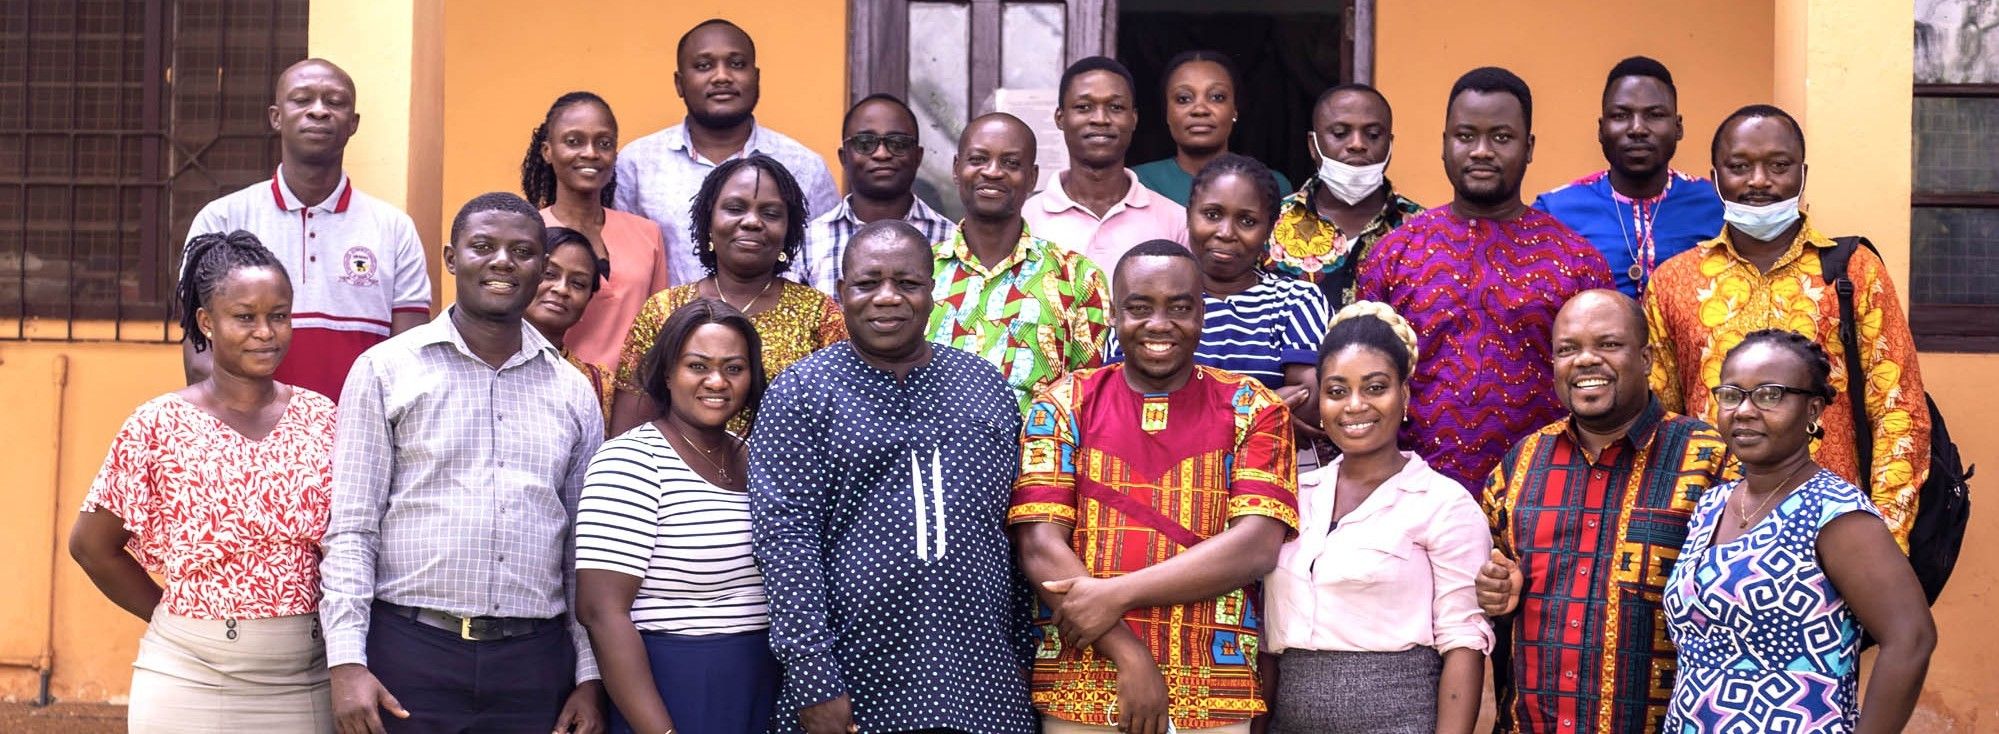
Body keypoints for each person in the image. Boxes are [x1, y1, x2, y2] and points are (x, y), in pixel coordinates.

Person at [318, 193, 605, 734]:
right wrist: (347, 661)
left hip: (534, 666)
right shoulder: (385, 371)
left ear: (542, 269)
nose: (502, 262)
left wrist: (587, 676)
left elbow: (580, 552)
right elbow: (353, 529)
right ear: (451, 259)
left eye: (522, 251)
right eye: (482, 247)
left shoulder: (573, 391)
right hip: (409, 656)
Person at [749, 220, 1038, 734]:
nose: (888, 298)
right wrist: (815, 680)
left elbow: (1013, 530)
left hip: (984, 677)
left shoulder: (983, 385)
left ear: (932, 293)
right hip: (854, 677)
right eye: (868, 283)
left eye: (906, 284)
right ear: (841, 293)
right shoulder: (802, 392)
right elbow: (785, 543)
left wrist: (1021, 652)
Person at [1014, 240, 1299, 734]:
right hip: (1082, 682)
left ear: (1202, 314)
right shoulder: (1063, 405)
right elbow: (1039, 545)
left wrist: (1114, 595)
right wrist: (1131, 656)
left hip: (1213, 691)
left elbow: (1255, 548)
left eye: (1179, 307)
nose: (1159, 324)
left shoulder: (1256, 408)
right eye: (1139, 308)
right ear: (1114, 315)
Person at [71, 231, 337, 733]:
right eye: (245, 317)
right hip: (188, 679)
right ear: (207, 323)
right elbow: (91, 546)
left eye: (279, 316)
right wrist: (176, 625)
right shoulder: (157, 424)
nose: (265, 332)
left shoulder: (322, 417)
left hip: (304, 681)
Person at [1644, 104, 1929, 547]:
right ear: (1716, 176)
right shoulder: (1674, 282)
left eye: (1778, 165)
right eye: (1739, 167)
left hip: (1832, 528)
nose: (1759, 181)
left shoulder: (1854, 271)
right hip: (1711, 528)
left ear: (1802, 172)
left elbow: (1899, 411)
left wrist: (1884, 540)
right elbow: (1661, 423)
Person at [1473, 289, 1734, 734]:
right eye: (1567, 350)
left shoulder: (1712, 462)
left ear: (1648, 358)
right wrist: (1496, 596)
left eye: (1608, 344)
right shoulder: (1519, 466)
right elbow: (1487, 596)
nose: (1585, 360)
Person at [1355, 66, 1614, 492]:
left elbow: (1602, 386)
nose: (1481, 151)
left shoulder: (1577, 262)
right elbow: (1364, 380)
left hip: (1545, 494)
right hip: (1408, 496)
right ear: (1444, 145)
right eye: (1465, 136)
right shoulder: (1394, 254)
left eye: (1501, 137)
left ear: (1528, 147)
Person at [1663, 329, 1934, 732]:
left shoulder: (1835, 514)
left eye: (1770, 395)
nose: (1745, 410)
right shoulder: (1712, 503)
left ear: (1812, 411)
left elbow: (1911, 638)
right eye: (1732, 394)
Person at [1261, 301, 1490, 734]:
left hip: (1400, 720)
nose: (1354, 406)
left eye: (1374, 387)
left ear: (1403, 395)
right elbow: (1270, 646)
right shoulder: (1295, 496)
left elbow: (1464, 641)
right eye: (1336, 390)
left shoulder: (1444, 504)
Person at [576, 299, 778, 734]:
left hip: (759, 680)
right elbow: (601, 611)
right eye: (697, 366)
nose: (717, 382)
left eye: (734, 368)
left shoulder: (756, 458)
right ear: (667, 373)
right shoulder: (630, 460)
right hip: (672, 684)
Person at [183, 58, 430, 402]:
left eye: (335, 101)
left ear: (353, 123)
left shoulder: (394, 229)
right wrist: (275, 428)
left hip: (360, 442)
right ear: (276, 116)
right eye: (302, 99)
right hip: (245, 438)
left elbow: (408, 361)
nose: (319, 111)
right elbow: (198, 355)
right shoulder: (223, 219)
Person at [1102, 154, 1330, 465]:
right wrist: (1262, 412)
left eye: (1247, 221)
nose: (1225, 232)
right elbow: (1124, 403)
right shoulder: (1146, 301)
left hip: (1271, 472)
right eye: (1212, 214)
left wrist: (1185, 418)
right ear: (1188, 214)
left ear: (1270, 228)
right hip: (1156, 472)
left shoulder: (1296, 300)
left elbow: (1309, 402)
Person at [612, 155, 846, 436]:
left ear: (789, 231)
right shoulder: (663, 310)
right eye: (735, 208)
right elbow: (629, 432)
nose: (751, 222)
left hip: (789, 477)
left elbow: (841, 425)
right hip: (677, 477)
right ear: (709, 222)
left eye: (770, 213)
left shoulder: (820, 314)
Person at [615, 18, 838, 285]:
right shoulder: (637, 163)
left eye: (737, 64)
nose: (722, 76)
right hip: (666, 325)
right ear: (679, 83)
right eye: (703, 66)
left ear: (756, 78)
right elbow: (622, 268)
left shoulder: (805, 166)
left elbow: (825, 265)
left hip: (779, 324)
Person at [928, 113, 1111, 412]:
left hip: (1036, 456)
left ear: (1032, 177)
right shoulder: (921, 273)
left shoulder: (1078, 278)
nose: (992, 172)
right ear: (956, 169)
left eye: (1011, 163)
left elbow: (1091, 398)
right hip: (932, 456)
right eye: (978, 159)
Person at [1533, 56, 1724, 298]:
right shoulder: (1555, 211)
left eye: (1654, 115)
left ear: (1678, 127)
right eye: (1621, 115)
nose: (1637, 129)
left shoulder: (1716, 204)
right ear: (1601, 129)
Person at [521, 91, 673, 369]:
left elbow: (658, 329)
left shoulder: (648, 235)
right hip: (546, 392)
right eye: (573, 141)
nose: (590, 153)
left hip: (633, 400)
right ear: (547, 151)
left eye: (603, 143)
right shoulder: (525, 232)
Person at [1267, 83, 1425, 309]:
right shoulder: (1270, 224)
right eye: (1340, 133)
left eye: (1372, 135)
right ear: (1313, 145)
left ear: (1390, 145)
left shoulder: (1423, 230)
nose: (1357, 144)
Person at [1024, 56, 1188, 267]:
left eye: (1116, 107)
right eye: (1084, 107)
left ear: (1134, 119)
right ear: (1060, 118)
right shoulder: (1025, 220)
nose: (1100, 119)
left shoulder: (1174, 220)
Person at [796, 93, 955, 299]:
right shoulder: (807, 244)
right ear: (844, 157)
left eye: (898, 143)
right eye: (865, 143)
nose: (882, 154)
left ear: (918, 157)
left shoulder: (952, 241)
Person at [1131, 50, 1294, 206]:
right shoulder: (1136, 183)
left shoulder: (1272, 185)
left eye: (1217, 97)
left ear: (1235, 109)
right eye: (1183, 99)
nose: (1200, 110)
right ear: (1167, 112)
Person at [526, 226, 618, 428]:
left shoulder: (596, 383)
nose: (562, 289)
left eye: (578, 284)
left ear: (588, 301)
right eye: (549, 274)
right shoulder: (484, 361)